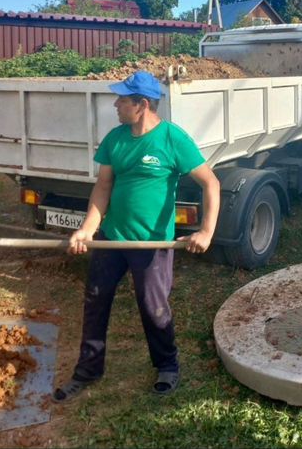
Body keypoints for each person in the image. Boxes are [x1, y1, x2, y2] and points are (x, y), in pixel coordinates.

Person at [52, 70, 220, 402]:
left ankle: (167, 366)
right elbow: (103, 187)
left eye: (122, 100)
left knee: (153, 307)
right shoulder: (115, 139)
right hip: (112, 238)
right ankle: (87, 370)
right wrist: (87, 229)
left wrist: (206, 231)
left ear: (142, 105)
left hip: (151, 243)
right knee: (95, 301)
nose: (116, 104)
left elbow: (210, 183)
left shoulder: (172, 139)